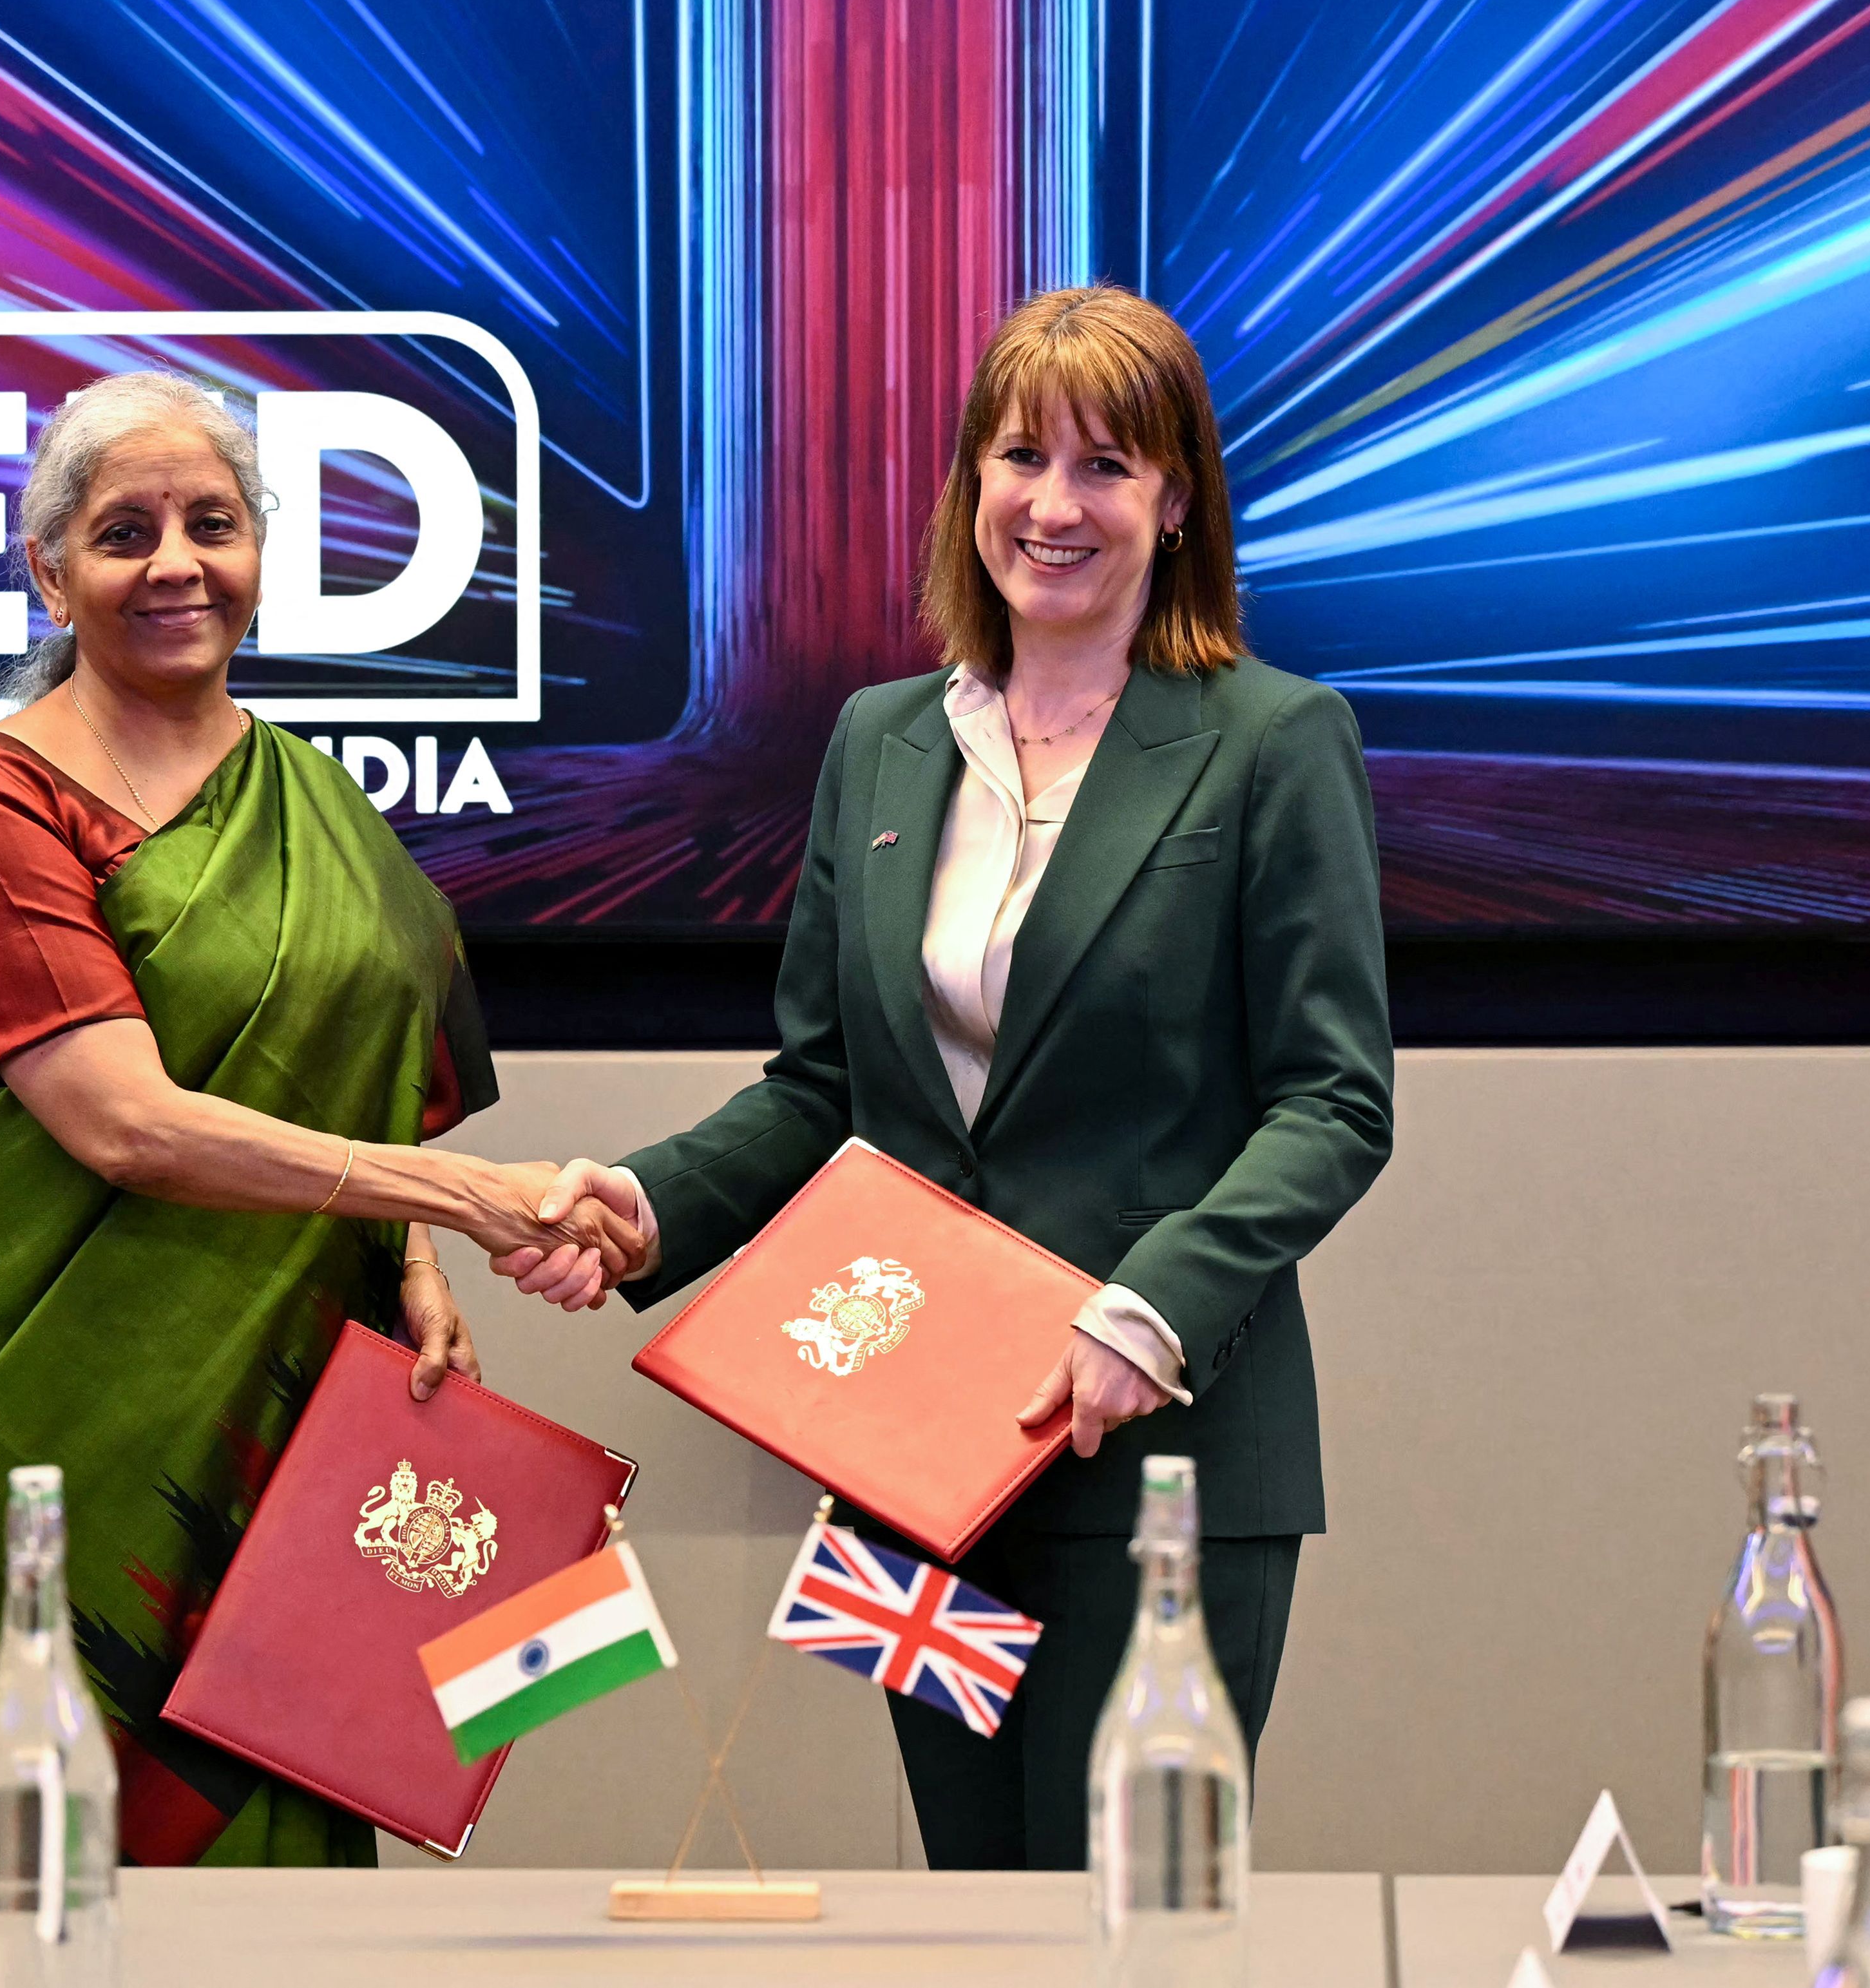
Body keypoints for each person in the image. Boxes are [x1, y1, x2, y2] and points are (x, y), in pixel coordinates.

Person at [496, 285, 1394, 1868]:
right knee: (970, 1906)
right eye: (1019, 456)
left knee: (1126, 1917)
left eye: (1107, 467)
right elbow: (825, 1087)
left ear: (1176, 501)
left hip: (1160, 1454)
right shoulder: (881, 741)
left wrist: (1147, 1311)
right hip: (907, 1463)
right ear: (968, 482)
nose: (1054, 505)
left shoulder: (1272, 738)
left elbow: (1332, 1101)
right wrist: (646, 1207)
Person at [0, 369, 636, 1868]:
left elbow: (360, 1070)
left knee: (276, 1789)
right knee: (30, 1832)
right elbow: (124, 1123)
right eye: (124, 531)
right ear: (48, 571)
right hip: (50, 1390)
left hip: (290, 1400)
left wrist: (409, 1257)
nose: (176, 562)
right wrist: (462, 1195)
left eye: (213, 522)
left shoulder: (318, 798)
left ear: (262, 553)